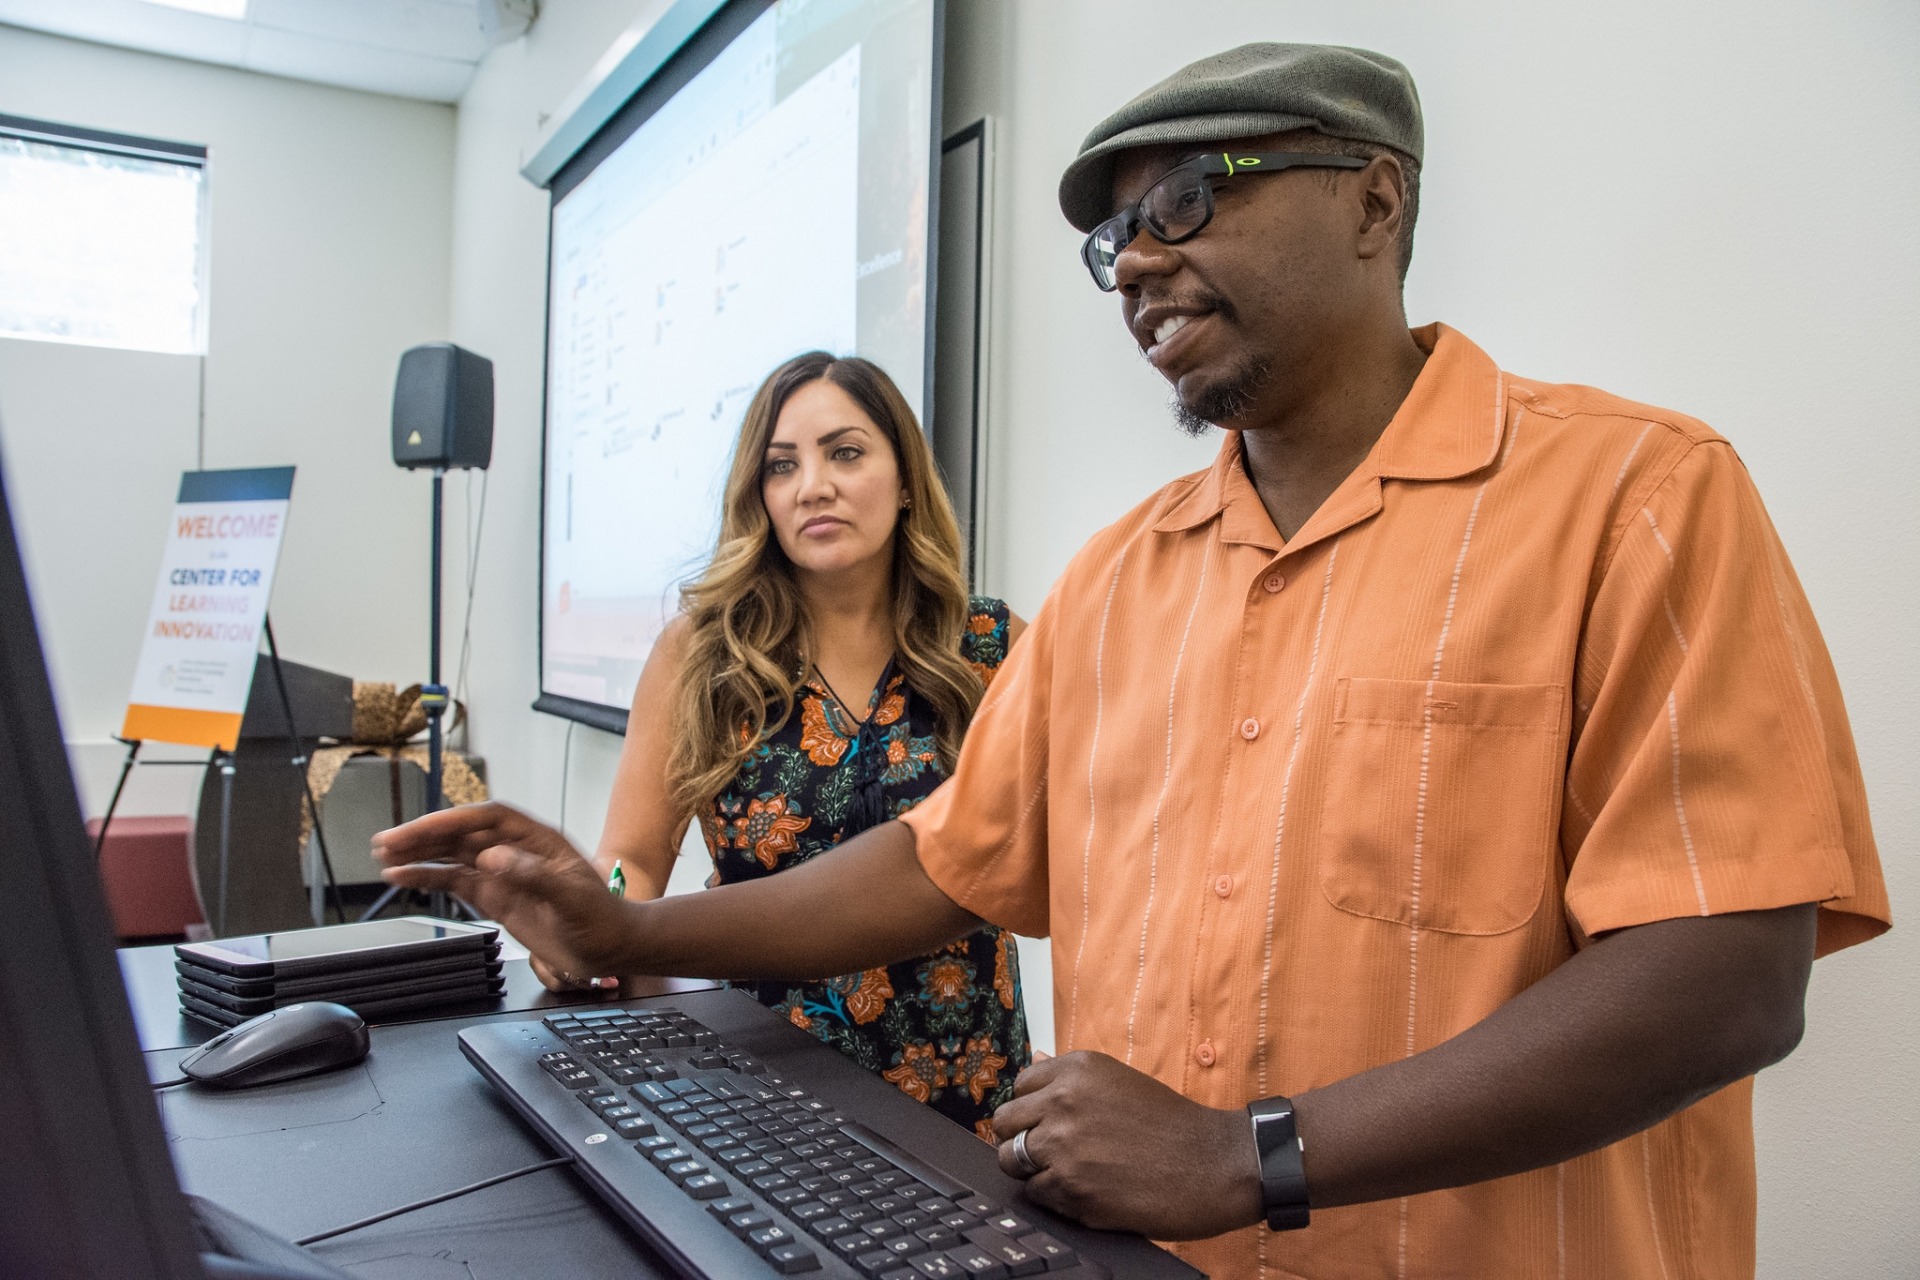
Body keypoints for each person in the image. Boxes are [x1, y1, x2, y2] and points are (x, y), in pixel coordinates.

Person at [376, 43, 1891, 1279]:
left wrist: (1253, 1154)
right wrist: (631, 934)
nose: (1138, 266)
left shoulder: (1640, 498)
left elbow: (1722, 979)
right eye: (1117, 237)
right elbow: (942, 864)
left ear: (1377, 201)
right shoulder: (1119, 577)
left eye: (1185, 199)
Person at [556, 350, 1031, 1139]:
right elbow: (632, 859)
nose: (813, 485)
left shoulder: (990, 645)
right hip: (760, 1087)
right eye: (782, 467)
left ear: (906, 477)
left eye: (845, 452)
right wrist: (594, 922)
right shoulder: (702, 655)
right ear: (762, 498)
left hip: (969, 1094)